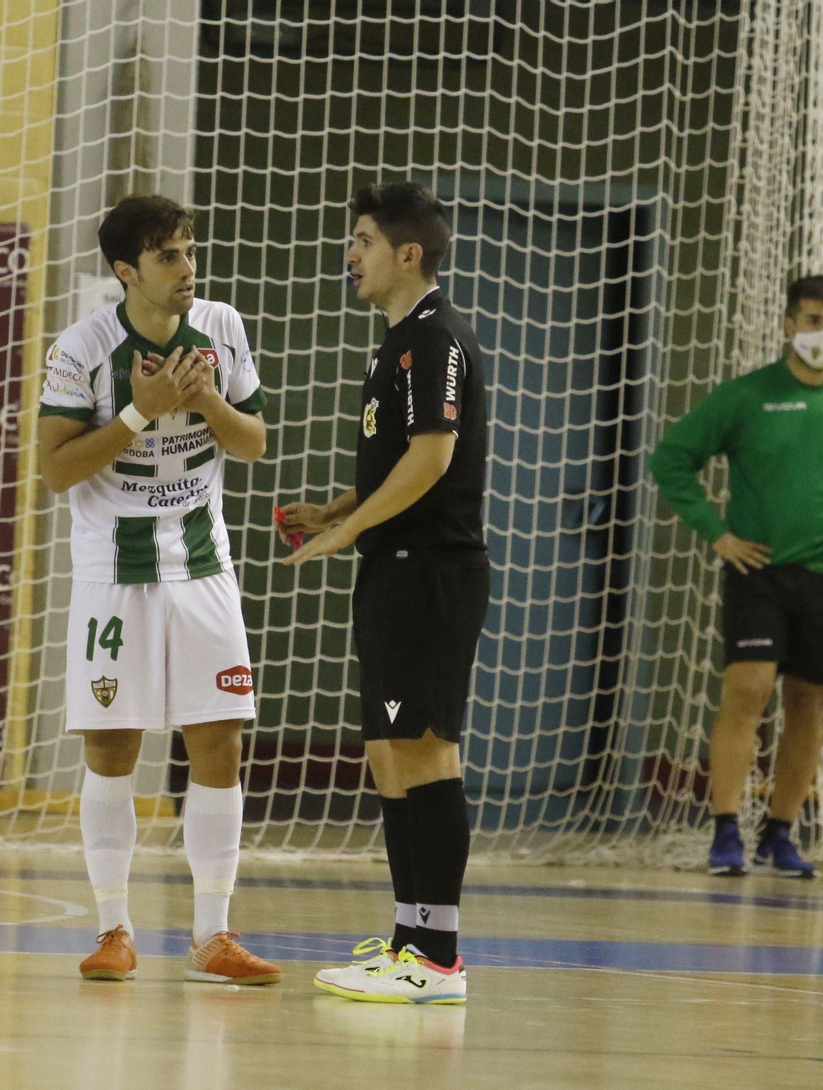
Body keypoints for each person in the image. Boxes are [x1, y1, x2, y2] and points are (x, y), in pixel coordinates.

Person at [36, 195, 278, 986]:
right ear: (125, 271)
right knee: (112, 750)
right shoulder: (81, 347)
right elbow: (56, 470)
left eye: (189, 251)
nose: (187, 267)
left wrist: (204, 400)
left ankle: (214, 933)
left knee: (220, 741)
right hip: (116, 570)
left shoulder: (223, 327)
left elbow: (253, 443)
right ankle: (114, 928)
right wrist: (143, 409)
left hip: (204, 566)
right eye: (168, 255)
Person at [279, 181, 488, 1005]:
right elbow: (403, 458)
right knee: (387, 754)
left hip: (430, 572)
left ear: (408, 254)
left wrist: (346, 529)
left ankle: (437, 957)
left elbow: (434, 460)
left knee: (426, 749)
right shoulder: (393, 344)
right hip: (393, 568)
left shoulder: (435, 339)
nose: (349, 254)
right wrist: (336, 508)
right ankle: (409, 937)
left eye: (362, 239)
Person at [651, 275, 823, 879]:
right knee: (748, 690)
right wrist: (717, 533)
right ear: (789, 324)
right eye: (813, 319)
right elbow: (671, 460)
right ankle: (725, 831)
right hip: (759, 571)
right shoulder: (745, 398)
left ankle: (780, 831)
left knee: (809, 702)